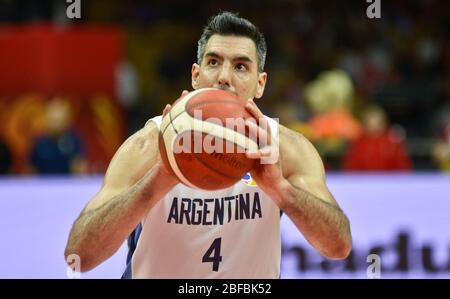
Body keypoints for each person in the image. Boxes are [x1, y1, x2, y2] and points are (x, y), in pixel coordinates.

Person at [65, 11, 352, 278]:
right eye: (213, 62)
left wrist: (281, 191)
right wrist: (158, 181)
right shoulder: (150, 144)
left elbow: (338, 247)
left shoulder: (285, 149)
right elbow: (79, 256)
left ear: (260, 83)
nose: (224, 77)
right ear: (195, 75)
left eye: (241, 66)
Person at [343, 105, 412, 171]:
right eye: (370, 124)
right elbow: (351, 168)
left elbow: (403, 168)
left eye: (377, 123)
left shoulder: (393, 142)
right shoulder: (357, 143)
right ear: (365, 124)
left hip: (390, 182)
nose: (374, 128)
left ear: (384, 123)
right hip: (363, 181)